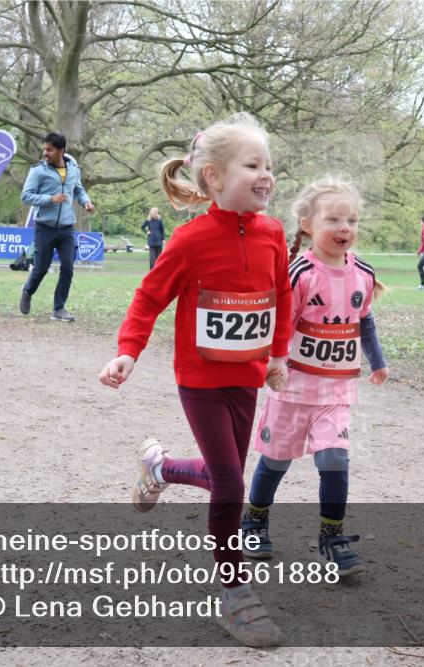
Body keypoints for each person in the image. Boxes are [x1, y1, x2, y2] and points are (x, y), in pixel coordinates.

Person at [98, 113, 292, 647]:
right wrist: (128, 352)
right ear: (214, 177)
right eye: (252, 165)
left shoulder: (274, 234)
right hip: (201, 380)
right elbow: (149, 297)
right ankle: (234, 592)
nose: (266, 174)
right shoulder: (189, 240)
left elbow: (281, 296)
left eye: (268, 165)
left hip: (247, 378)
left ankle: (159, 467)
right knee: (231, 483)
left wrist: (277, 355)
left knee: (224, 474)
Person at [240, 176, 389, 577]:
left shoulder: (363, 273)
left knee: (335, 458)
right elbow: (279, 324)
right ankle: (254, 521)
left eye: (352, 220)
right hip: (293, 389)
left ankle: (332, 537)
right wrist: (272, 365)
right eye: (334, 219)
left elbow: (364, 321)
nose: (345, 228)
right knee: (276, 460)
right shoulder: (300, 272)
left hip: (336, 391)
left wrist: (377, 361)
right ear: (307, 225)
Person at [18, 132, 95, 322]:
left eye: (49, 150)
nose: (45, 153)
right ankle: (27, 291)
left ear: (61, 151)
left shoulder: (73, 170)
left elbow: (78, 190)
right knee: (41, 268)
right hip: (45, 227)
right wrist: (50, 199)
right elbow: (26, 196)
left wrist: (86, 201)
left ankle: (58, 309)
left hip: (67, 228)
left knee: (68, 267)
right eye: (44, 149)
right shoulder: (38, 171)